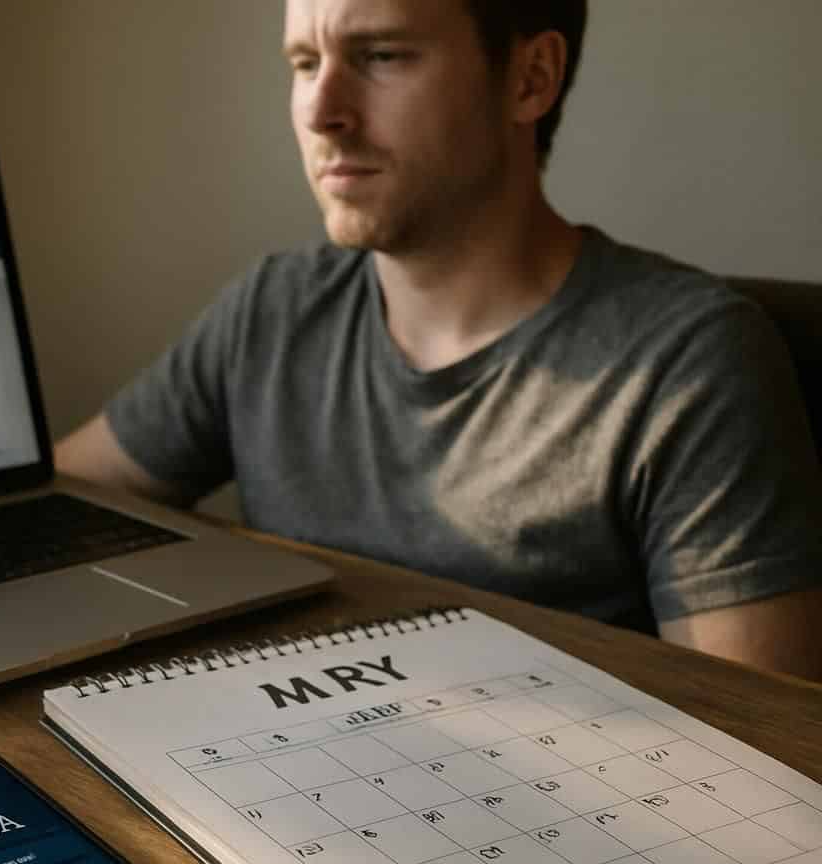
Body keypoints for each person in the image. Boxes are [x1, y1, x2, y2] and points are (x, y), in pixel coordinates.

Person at [55, 0, 822, 679]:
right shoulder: (272, 311)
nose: (323, 111)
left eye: (381, 55)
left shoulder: (688, 363)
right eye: (304, 61)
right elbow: (56, 498)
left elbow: (761, 745)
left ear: (530, 78)